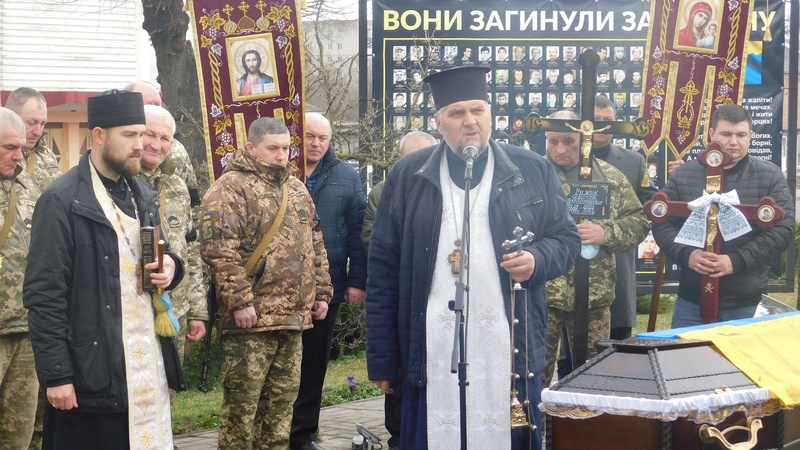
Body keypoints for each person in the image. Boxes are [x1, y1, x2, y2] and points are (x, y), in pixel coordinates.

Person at [366, 65, 581, 450]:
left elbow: (566, 239)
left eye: (477, 110)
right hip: (430, 342)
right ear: (439, 122)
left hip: (507, 341)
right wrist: (383, 358)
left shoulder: (531, 169)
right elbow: (382, 269)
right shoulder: (407, 175)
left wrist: (536, 259)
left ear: (490, 114)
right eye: (457, 113)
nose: (470, 121)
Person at [23, 90, 185, 449]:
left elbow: (164, 253)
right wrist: (57, 375)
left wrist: (172, 266)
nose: (140, 145)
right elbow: (44, 294)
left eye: (141, 134)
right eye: (129, 135)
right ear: (99, 135)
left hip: (144, 365)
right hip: (89, 372)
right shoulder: (61, 200)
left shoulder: (141, 193)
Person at [200, 117, 332, 449]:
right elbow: (219, 250)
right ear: (250, 147)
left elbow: (315, 243)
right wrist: (239, 301)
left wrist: (321, 292)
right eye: (272, 148)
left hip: (292, 320)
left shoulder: (296, 188)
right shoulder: (228, 189)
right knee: (241, 417)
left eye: (285, 148)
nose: (280, 155)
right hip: (251, 322)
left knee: (280, 415)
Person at [652, 104, 794, 327]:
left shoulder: (770, 175)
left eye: (741, 135)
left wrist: (734, 261)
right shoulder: (684, 174)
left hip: (745, 298)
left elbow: (782, 229)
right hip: (692, 297)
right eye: (726, 134)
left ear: (751, 136)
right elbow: (661, 221)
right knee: (686, 359)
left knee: (739, 362)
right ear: (711, 134)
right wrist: (687, 254)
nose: (733, 142)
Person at [543, 109, 649, 386]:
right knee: (533, 372)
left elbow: (639, 222)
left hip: (593, 293)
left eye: (569, 141)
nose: (560, 149)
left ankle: (587, 428)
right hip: (542, 292)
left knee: (594, 375)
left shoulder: (610, 178)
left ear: (585, 140)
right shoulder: (533, 175)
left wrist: (606, 232)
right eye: (553, 142)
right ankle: (533, 428)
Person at [291, 113, 367, 450]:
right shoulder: (280, 169)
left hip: (327, 285)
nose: (317, 144)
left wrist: (357, 281)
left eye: (323, 137)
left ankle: (305, 432)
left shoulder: (347, 176)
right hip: (280, 288)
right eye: (310, 137)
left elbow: (358, 233)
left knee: (314, 361)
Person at [360, 131, 437, 450]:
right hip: (402, 291)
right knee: (398, 377)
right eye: (410, 158)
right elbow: (372, 239)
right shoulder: (385, 190)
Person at [137, 104, 207, 362]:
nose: (156, 145)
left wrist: (197, 310)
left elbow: (191, 249)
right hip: (133, 313)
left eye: (165, 138)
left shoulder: (177, 185)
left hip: (175, 309)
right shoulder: (118, 182)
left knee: (169, 394)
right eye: (149, 135)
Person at [591, 95, 657, 340]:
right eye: (596, 119)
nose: (602, 125)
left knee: (618, 341)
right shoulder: (564, 158)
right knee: (572, 347)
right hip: (575, 263)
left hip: (617, 259)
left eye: (608, 120)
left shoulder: (633, 161)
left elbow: (651, 203)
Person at [0, 107, 38, 449]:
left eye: (21, 148)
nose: (19, 155)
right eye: (9, 147)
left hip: (26, 329)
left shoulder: (27, 187)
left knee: (18, 435)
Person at [126, 81, 201, 211]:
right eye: (148, 104)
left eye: (158, 104)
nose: (156, 146)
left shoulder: (177, 150)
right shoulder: (117, 149)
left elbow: (192, 200)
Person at [5, 88, 61, 192]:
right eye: (31, 122)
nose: (38, 132)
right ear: (11, 117)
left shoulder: (47, 155)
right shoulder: (3, 157)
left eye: (43, 124)